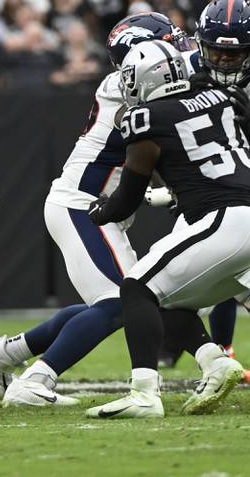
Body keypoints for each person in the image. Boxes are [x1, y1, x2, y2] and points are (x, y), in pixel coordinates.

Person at [0, 12, 195, 406]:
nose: (177, 50)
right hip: (83, 207)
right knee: (122, 302)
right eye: (168, 43)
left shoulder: (138, 82)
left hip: (90, 207)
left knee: (118, 301)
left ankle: (5, 354)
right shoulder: (130, 88)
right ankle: (36, 381)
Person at [87, 37, 248, 419]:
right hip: (235, 210)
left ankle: (144, 393)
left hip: (228, 219)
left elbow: (127, 196)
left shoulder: (145, 118)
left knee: (137, 287)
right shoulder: (221, 97)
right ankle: (216, 361)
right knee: (173, 298)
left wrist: (100, 212)